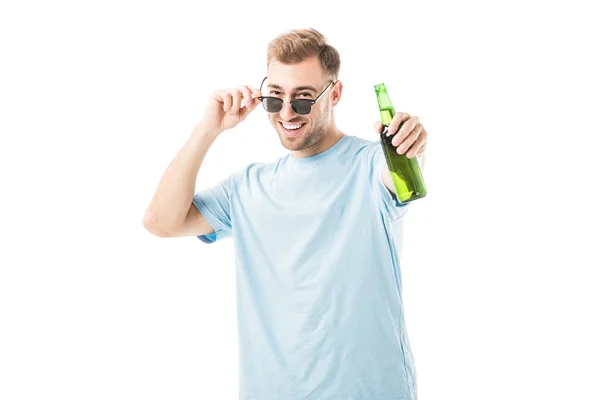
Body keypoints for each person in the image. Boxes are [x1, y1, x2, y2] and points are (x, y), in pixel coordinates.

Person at [143, 28, 428, 400]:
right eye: (275, 98)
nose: (288, 112)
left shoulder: (371, 166)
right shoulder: (246, 188)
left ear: (335, 94)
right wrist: (207, 130)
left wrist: (410, 142)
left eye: (304, 98)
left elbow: (400, 172)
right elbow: (160, 221)